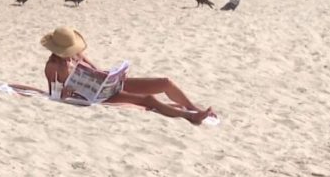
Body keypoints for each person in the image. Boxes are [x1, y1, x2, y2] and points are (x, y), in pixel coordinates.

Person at [41, 27, 216, 125]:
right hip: (96, 97)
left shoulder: (77, 55)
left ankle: (194, 108)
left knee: (165, 82)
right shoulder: (52, 67)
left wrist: (113, 75)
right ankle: (190, 117)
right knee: (149, 99)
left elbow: (97, 70)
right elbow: (55, 95)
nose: (71, 53)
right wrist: (67, 93)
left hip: (107, 87)